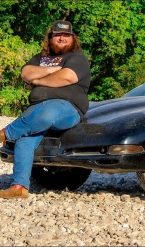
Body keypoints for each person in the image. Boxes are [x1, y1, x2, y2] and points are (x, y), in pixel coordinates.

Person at [0, 20, 91, 199]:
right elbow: (26, 73)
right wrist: (54, 69)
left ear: (73, 39)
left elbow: (66, 77)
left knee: (48, 112)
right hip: (36, 110)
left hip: (67, 108)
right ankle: (19, 187)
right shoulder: (39, 58)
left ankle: (5, 133)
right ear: (50, 38)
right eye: (58, 35)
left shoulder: (77, 58)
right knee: (25, 138)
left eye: (66, 35)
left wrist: (39, 80)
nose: (62, 38)